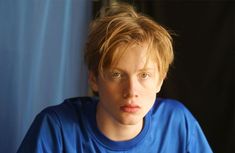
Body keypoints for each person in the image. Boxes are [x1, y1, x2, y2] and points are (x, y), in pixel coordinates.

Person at [17, 3, 213, 153]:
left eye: (144, 75)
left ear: (160, 80)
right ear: (94, 79)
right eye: (117, 75)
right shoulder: (56, 128)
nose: (131, 92)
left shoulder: (179, 123)